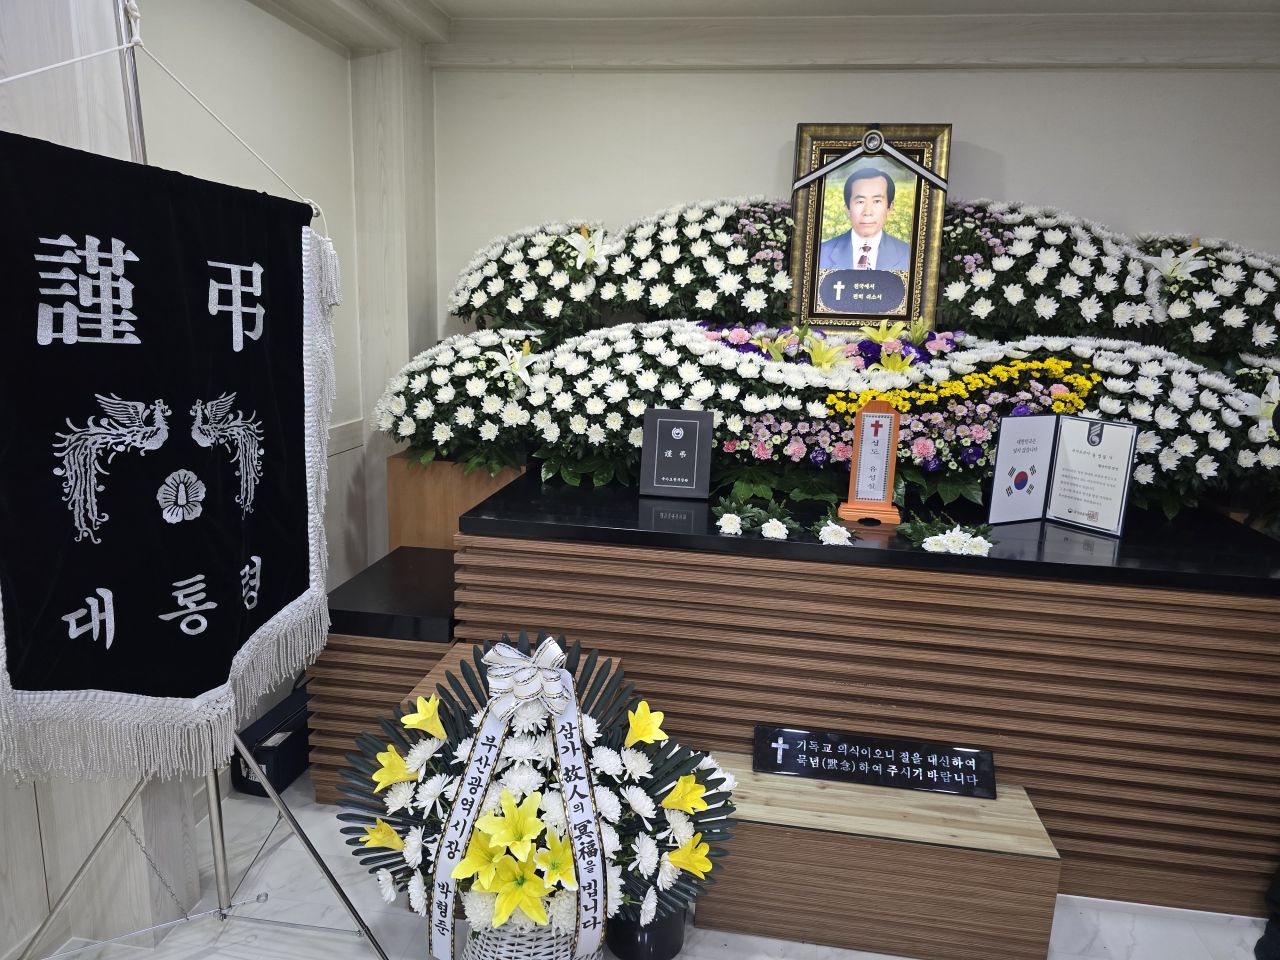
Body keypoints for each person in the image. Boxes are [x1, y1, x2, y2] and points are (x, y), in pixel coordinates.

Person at [819, 168, 911, 272]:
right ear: (847, 209)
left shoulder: (909, 255)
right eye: (860, 201)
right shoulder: (821, 253)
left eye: (877, 201)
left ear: (889, 208)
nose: (867, 212)